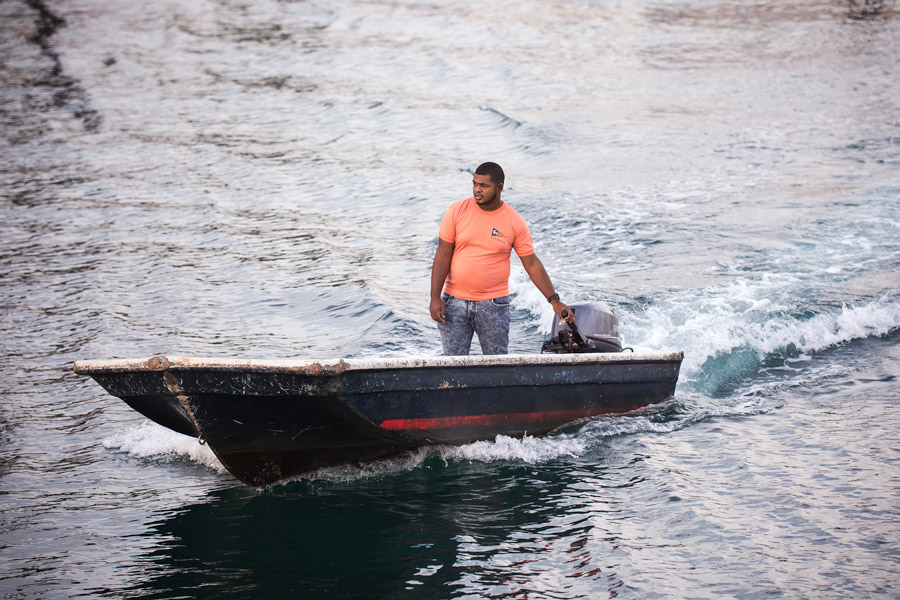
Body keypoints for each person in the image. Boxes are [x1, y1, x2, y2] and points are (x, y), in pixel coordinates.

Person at [429, 162, 574, 355]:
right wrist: (434, 297)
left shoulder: (514, 221)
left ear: (499, 188)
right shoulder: (457, 211)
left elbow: (531, 263)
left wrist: (554, 301)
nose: (477, 190)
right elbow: (442, 255)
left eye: (484, 186)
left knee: (496, 365)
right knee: (452, 364)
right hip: (454, 302)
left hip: (493, 305)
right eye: (474, 184)